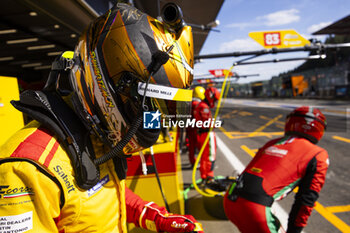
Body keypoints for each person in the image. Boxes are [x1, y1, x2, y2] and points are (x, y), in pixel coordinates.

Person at [0, 3, 203, 233]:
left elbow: (107, 193)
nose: (152, 120)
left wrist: (157, 217)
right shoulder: (27, 168)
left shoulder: (94, 135)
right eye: (149, 108)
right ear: (112, 88)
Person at [223, 106, 329, 233]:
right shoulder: (318, 155)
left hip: (230, 200)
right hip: (255, 209)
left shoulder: (272, 143)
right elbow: (306, 200)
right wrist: (294, 230)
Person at [192, 87, 220, 180]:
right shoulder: (204, 107)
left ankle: (204, 176)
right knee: (209, 157)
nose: (215, 102)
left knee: (204, 157)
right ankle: (209, 177)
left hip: (201, 134)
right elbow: (208, 123)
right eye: (215, 100)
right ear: (211, 97)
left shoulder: (200, 105)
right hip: (207, 134)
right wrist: (218, 122)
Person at [187, 86, 206, 167]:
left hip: (189, 128)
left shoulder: (189, 103)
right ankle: (203, 164)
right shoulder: (199, 105)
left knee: (191, 147)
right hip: (197, 129)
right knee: (201, 148)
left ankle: (193, 162)